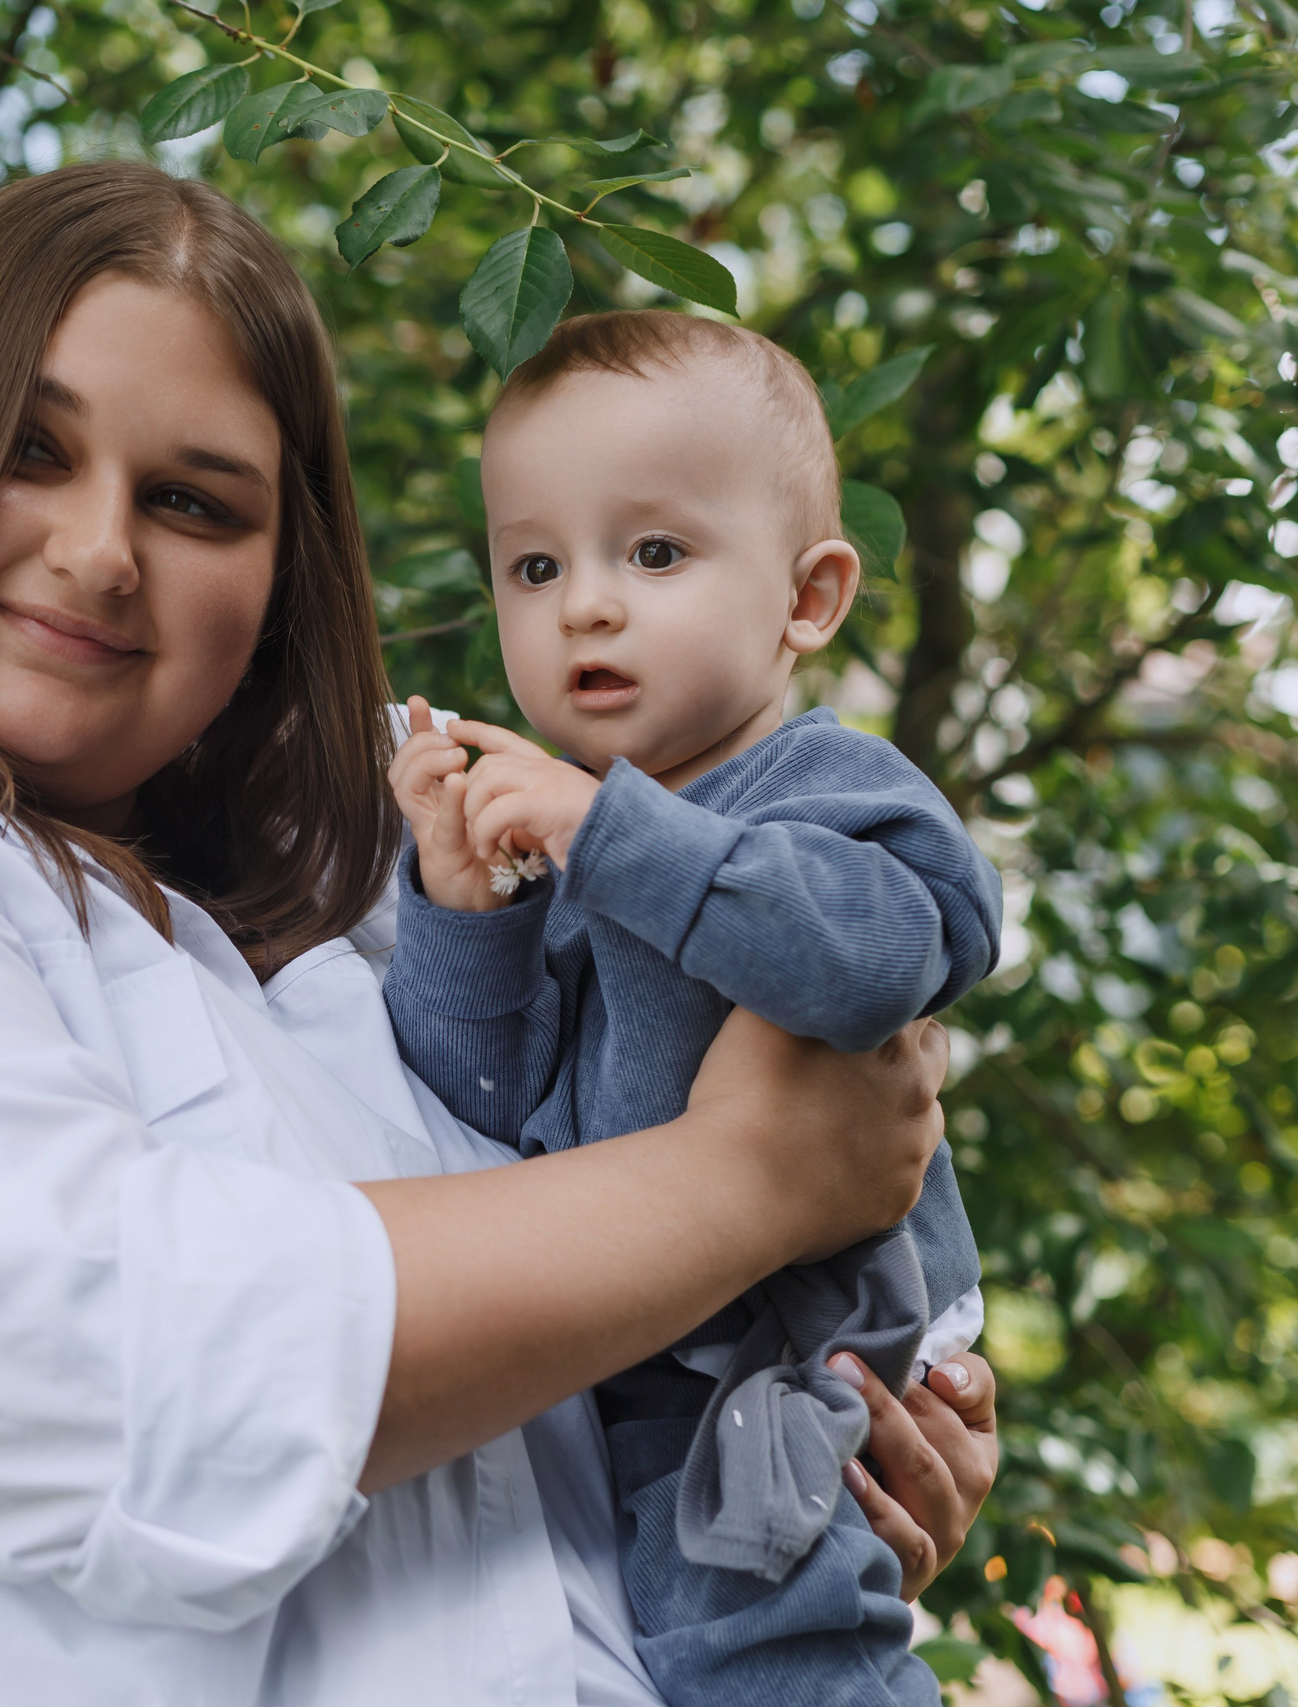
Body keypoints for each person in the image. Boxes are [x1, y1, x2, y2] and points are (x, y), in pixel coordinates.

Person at [0, 163, 997, 1707]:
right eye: (25, 448)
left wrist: (808, 1454)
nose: (98, 552)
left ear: (281, 578)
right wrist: (748, 1186)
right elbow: (137, 1373)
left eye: (189, 502)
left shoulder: (371, 920)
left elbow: (573, 1387)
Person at [381, 310, 1002, 1707]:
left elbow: (874, 963)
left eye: (654, 554)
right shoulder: (570, 844)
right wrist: (466, 913)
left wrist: (605, 837)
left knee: (770, 1658)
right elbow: (478, 1116)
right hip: (631, 1362)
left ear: (808, 599)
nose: (584, 607)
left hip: (792, 1356)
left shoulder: (828, 788)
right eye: (536, 566)